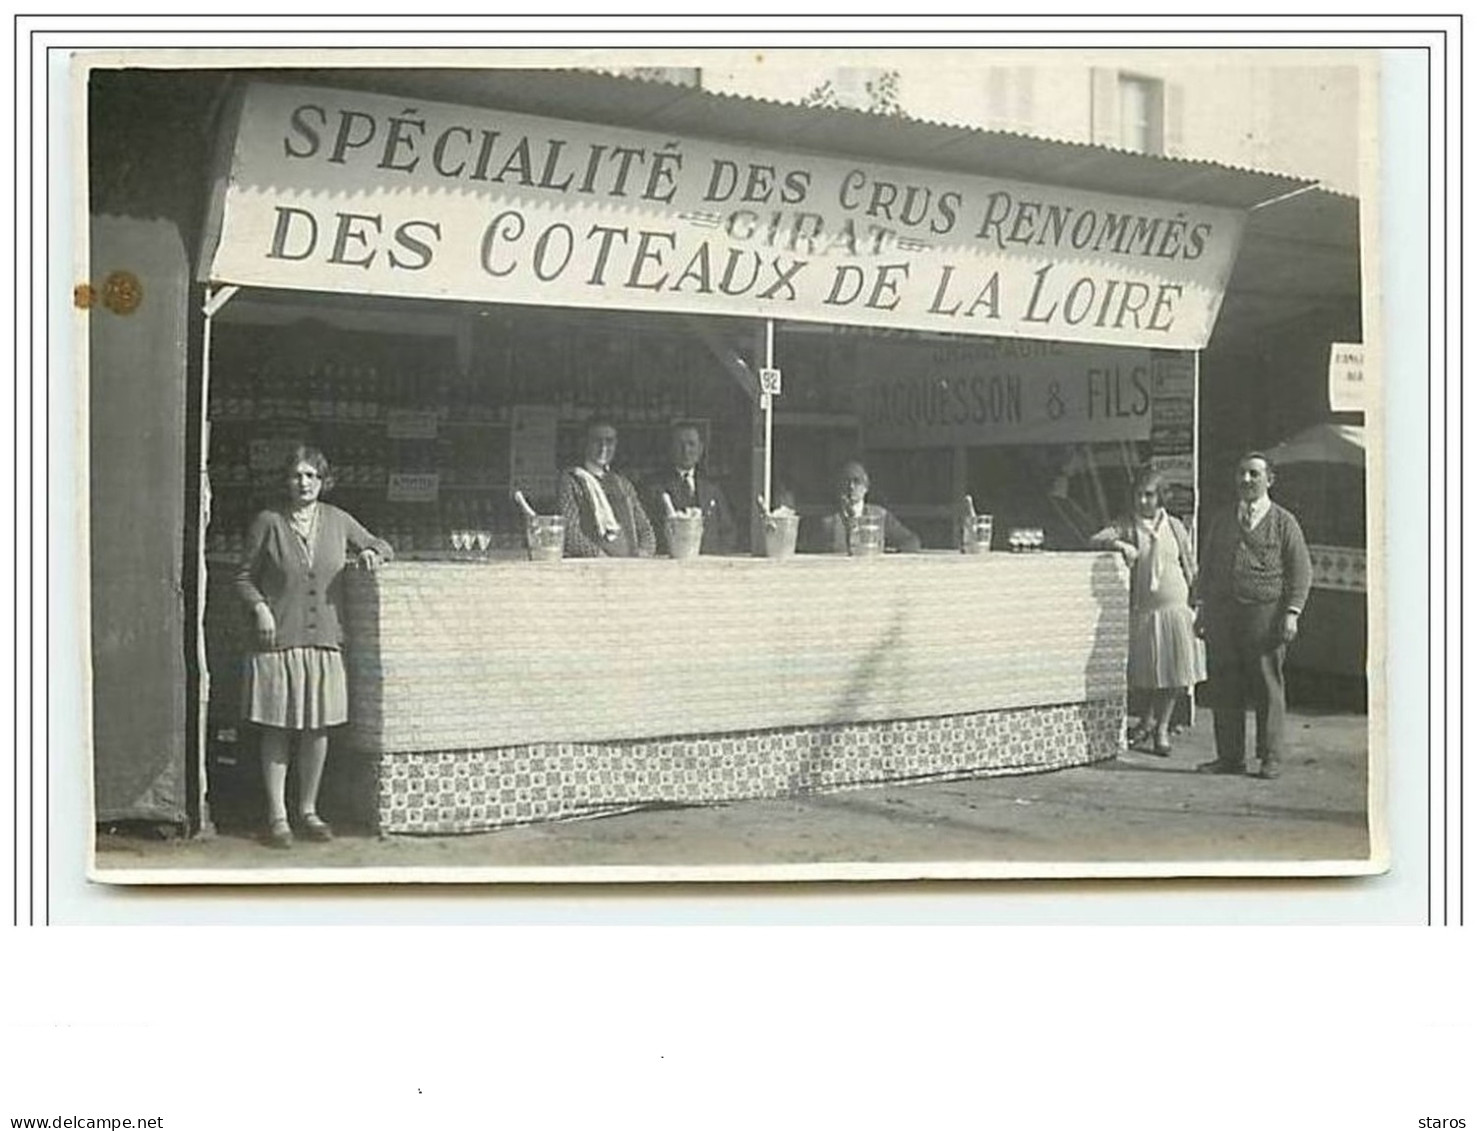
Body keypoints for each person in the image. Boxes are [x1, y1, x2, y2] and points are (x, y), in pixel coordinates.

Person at [235, 445, 392, 848]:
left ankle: (308, 809)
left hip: (324, 639)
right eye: (296, 476)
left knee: (316, 728)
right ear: (285, 481)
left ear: (323, 482)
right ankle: (278, 817)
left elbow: (381, 543)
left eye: (311, 476)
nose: (303, 483)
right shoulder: (268, 522)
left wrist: (373, 551)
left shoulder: (338, 521)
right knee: (278, 726)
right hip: (278, 641)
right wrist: (260, 610)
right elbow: (243, 577)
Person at [1194, 451, 1312, 779]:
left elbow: (1301, 571)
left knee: (1266, 684)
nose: (1246, 480)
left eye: (1254, 474)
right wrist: (1201, 609)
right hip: (1222, 613)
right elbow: (1207, 566)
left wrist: (1291, 613)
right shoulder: (1222, 519)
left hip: (1265, 614)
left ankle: (1270, 756)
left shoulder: (1283, 522)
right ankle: (1229, 757)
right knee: (1225, 685)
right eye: (1242, 473)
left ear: (1269, 480)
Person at [1092, 469, 1204, 757]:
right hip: (1145, 610)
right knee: (1149, 672)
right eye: (1139, 495)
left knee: (1173, 672)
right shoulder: (1127, 525)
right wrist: (1120, 545)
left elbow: (1189, 563)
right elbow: (1095, 539)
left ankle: (1162, 727)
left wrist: (1197, 599)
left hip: (1175, 607)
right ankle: (1147, 720)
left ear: (1161, 497)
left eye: (1150, 495)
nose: (1143, 501)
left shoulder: (1175, 526)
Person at [558, 419, 656, 558]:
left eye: (609, 441)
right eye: (597, 441)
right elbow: (571, 533)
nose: (603, 447)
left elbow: (645, 529)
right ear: (585, 443)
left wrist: (644, 552)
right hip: (593, 568)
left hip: (630, 567)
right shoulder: (572, 481)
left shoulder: (623, 484)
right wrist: (600, 557)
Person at [641, 422, 737, 555]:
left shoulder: (712, 489)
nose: (686, 450)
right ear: (671, 448)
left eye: (691, 444)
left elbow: (728, 532)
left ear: (700, 449)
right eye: (680, 445)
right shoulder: (653, 487)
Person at [801, 460, 922, 554]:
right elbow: (806, 549)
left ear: (866, 487)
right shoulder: (827, 520)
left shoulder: (879, 515)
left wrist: (888, 557)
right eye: (846, 481)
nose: (851, 487)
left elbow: (911, 541)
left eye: (856, 481)